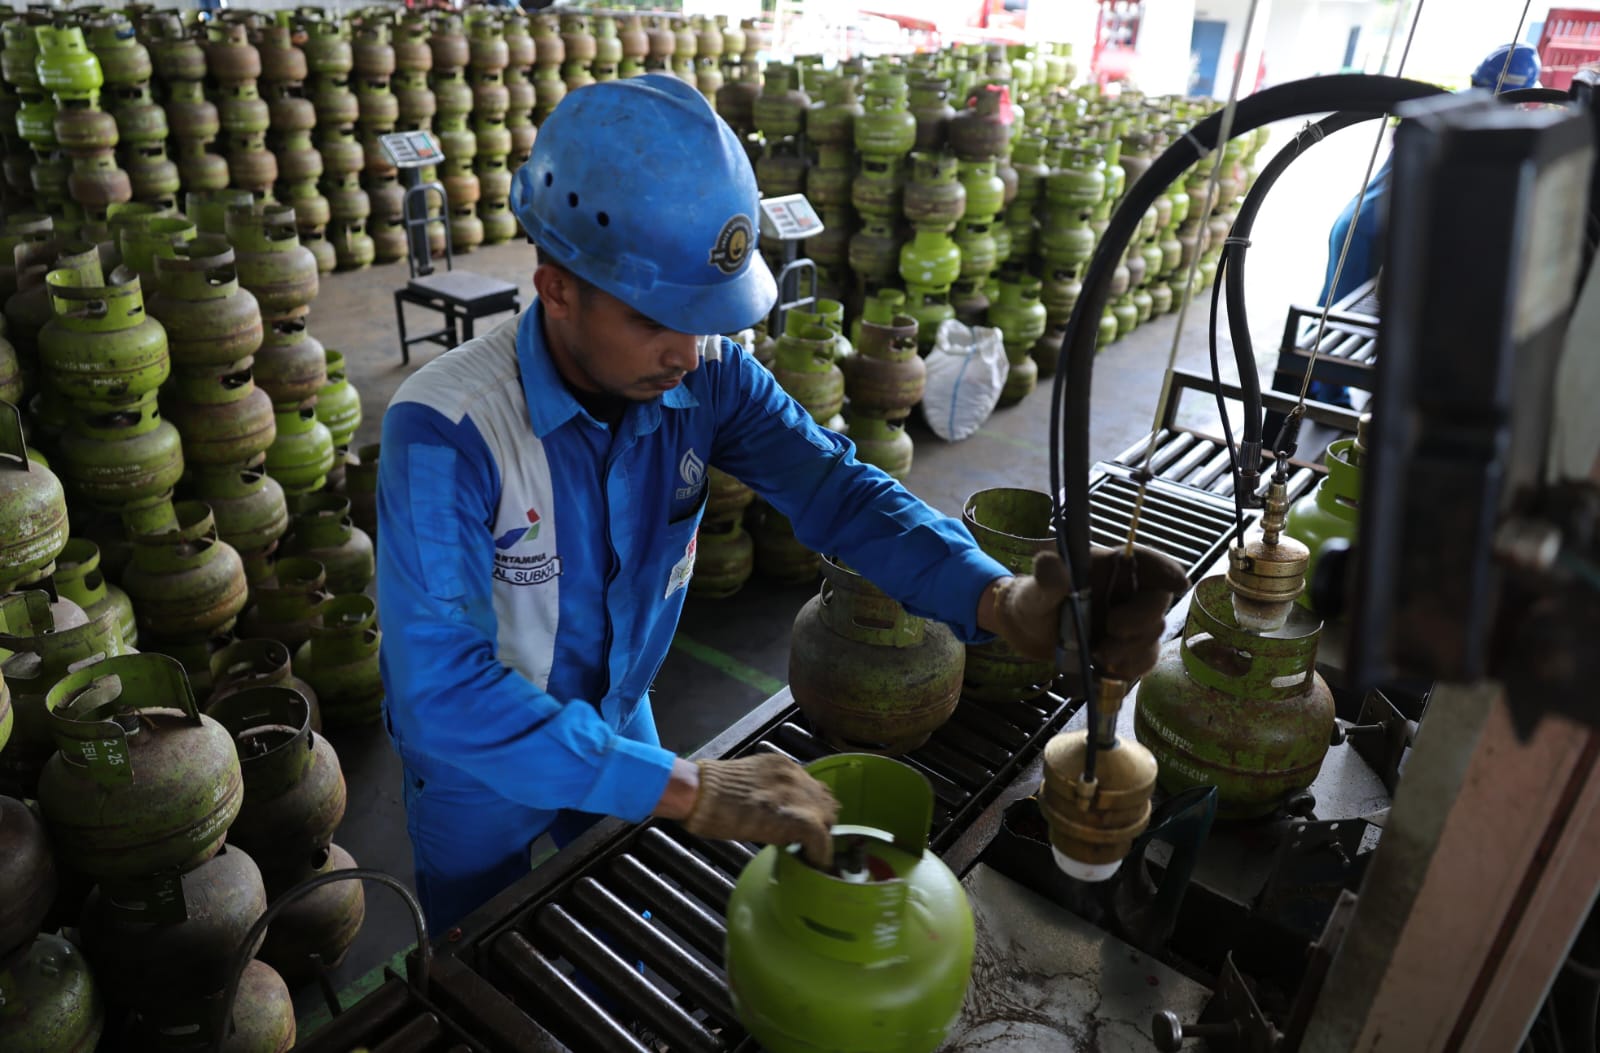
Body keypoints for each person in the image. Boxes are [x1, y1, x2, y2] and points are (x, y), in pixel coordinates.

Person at [376, 74, 1190, 931]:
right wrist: (685, 783)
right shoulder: (447, 431)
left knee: (628, 919)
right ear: (558, 288)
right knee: (482, 953)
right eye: (657, 320)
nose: (688, 354)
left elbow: (838, 490)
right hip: (479, 766)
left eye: (705, 320)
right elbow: (446, 692)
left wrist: (1000, 599)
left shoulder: (710, 376)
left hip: (620, 711)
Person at [1309, 42, 1541, 407]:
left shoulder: (1450, 108)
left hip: (1359, 220)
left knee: (1330, 313)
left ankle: (1313, 390)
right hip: (1370, 230)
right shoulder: (1475, 124)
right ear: (1526, 95)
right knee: (1337, 322)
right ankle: (1319, 398)